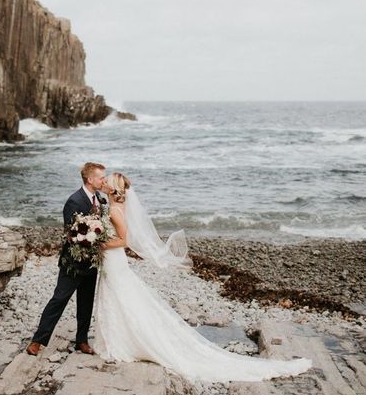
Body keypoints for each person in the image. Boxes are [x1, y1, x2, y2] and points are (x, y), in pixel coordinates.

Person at [93, 172, 312, 383]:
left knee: (119, 296)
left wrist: (99, 242)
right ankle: (120, 339)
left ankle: (123, 343)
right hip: (114, 260)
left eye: (107, 182)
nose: (103, 183)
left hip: (114, 258)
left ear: (112, 189)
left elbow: (124, 240)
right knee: (121, 297)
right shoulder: (118, 207)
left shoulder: (114, 211)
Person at [26, 162, 107, 356]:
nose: (104, 180)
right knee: (59, 299)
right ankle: (38, 340)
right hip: (73, 263)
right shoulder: (74, 201)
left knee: (86, 303)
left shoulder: (99, 199)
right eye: (101, 177)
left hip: (92, 263)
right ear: (90, 179)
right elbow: (70, 233)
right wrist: (85, 239)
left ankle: (82, 340)